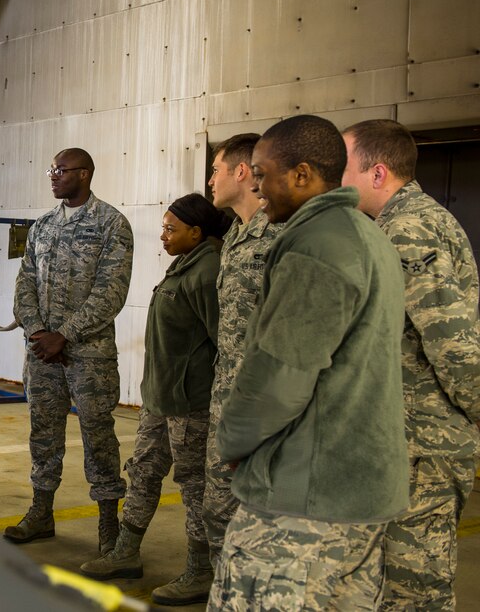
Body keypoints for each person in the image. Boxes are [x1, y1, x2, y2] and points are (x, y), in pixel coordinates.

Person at [209, 115, 409, 610]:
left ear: (301, 175)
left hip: (303, 502)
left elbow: (279, 376)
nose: (256, 185)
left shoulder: (316, 244)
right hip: (358, 495)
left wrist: (234, 442)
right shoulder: (367, 235)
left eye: (262, 172)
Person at [342, 119, 480, 610]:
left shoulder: (410, 227)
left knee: (414, 590)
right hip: (404, 441)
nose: (337, 180)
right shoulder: (391, 225)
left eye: (344, 168)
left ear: (377, 174)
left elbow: (455, 344)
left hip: (424, 443)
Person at [81, 192, 229, 607]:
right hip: (159, 397)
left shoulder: (208, 271)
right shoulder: (184, 265)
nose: (163, 235)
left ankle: (201, 570)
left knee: (193, 484)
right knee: (144, 470)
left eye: (171, 228)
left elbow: (224, 341)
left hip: (189, 402)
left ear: (196, 232)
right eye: (163, 226)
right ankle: (126, 551)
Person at [3, 148, 133, 555]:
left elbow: (111, 291)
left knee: (98, 437)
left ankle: (109, 526)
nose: (53, 176)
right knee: (43, 433)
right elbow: (24, 282)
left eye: (60, 170)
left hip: (88, 357)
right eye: (51, 169)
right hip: (42, 354)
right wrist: (39, 330)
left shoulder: (111, 224)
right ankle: (42, 512)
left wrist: (66, 334)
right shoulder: (43, 226)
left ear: (85, 174)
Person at [201, 133, 281, 564]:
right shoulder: (234, 234)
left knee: (257, 524)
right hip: (226, 399)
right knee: (218, 512)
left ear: (241, 171)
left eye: (215, 169)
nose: (210, 179)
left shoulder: (279, 234)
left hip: (261, 407)